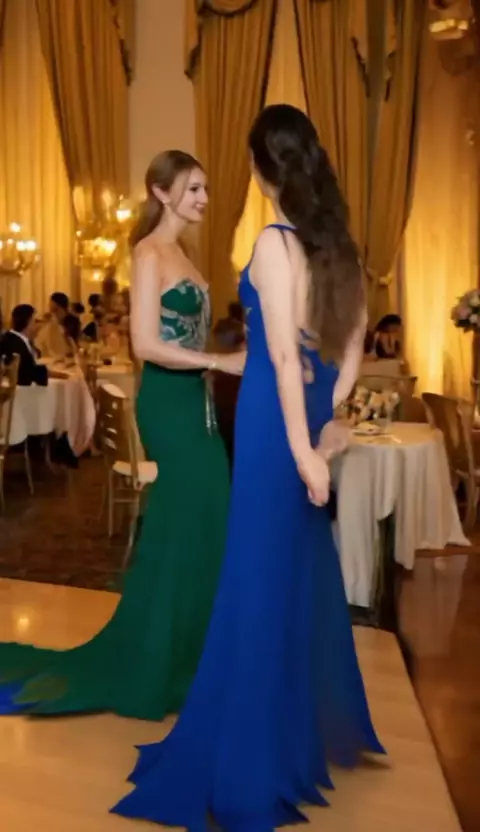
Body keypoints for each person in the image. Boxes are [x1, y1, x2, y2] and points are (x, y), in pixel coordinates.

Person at [112, 105, 384, 829]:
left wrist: (302, 451)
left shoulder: (274, 241)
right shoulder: (334, 242)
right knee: (291, 573)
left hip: (274, 426)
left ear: (263, 170)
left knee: (260, 578)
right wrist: (332, 413)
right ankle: (292, 732)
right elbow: (353, 337)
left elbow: (285, 358)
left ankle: (253, 752)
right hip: (302, 414)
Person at [0, 150, 242, 720]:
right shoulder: (149, 252)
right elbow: (147, 346)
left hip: (195, 402)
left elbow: (183, 337)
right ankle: (161, 661)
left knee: (204, 518)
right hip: (168, 404)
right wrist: (220, 361)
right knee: (193, 514)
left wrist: (217, 367)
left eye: (205, 188)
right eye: (194, 188)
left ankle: (192, 657)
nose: (204, 199)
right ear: (162, 191)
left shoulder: (184, 254)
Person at [0, 304, 47, 386]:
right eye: (36, 321)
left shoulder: (16, 339)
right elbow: (26, 372)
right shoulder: (13, 343)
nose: (39, 326)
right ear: (28, 322)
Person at [36, 291, 70, 360]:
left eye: (55, 310)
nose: (53, 314)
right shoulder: (48, 324)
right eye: (52, 311)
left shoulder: (71, 323)